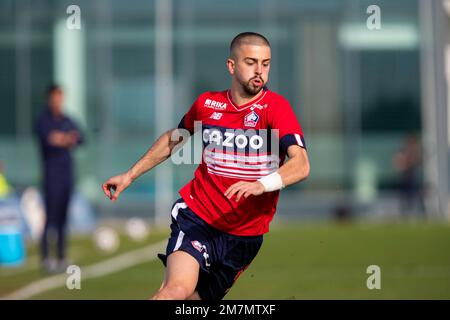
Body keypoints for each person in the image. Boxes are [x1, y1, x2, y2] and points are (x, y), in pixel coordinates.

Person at [102, 32, 310, 300]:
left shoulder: (275, 108)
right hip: (198, 218)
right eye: (251, 62)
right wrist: (129, 175)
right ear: (231, 66)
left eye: (265, 63)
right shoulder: (207, 104)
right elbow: (173, 140)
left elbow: (301, 164)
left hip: (244, 237)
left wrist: (261, 185)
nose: (259, 71)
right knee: (176, 290)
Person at [35, 84, 84, 273]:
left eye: (60, 97)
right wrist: (66, 139)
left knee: (63, 218)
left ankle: (62, 256)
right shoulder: (43, 119)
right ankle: (46, 257)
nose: (57, 101)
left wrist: (64, 139)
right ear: (49, 98)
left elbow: (81, 138)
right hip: (51, 175)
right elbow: (49, 139)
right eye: (54, 97)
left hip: (66, 175)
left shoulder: (67, 119)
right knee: (50, 218)